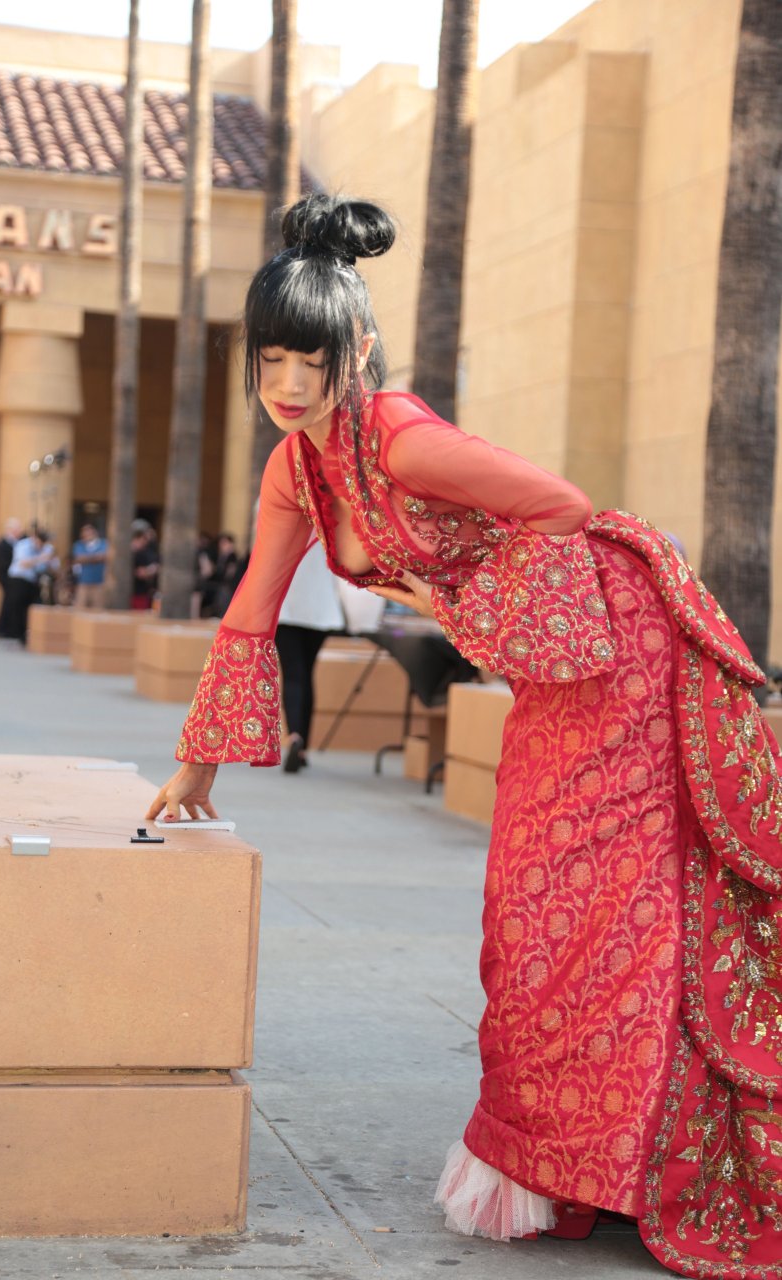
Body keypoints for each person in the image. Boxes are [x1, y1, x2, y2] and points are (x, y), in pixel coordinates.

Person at [146, 195, 782, 1278]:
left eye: (312, 359)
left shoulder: (401, 438)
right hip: (551, 665)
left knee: (592, 909)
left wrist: (456, 609)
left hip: (615, 646)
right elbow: (254, 603)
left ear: (358, 352)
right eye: (270, 360)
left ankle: (627, 1164)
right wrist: (194, 760)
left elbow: (564, 506)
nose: (288, 384)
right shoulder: (297, 466)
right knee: (541, 915)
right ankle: (583, 1164)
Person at [276, 538, 347, 772]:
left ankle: (295, 736)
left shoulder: (275, 514)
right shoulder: (332, 514)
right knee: (307, 674)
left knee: (293, 675)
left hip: (287, 604)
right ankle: (303, 747)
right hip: (321, 606)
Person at [0, 526, 57, 643]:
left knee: (35, 606)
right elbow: (23, 563)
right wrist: (41, 558)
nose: (40, 545)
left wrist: (50, 561)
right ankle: (17, 634)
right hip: (18, 579)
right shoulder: (23, 545)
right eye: (39, 542)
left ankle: (30, 633)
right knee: (17, 607)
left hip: (34, 581)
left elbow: (54, 568)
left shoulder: (47, 548)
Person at [72, 523, 108, 608]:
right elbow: (79, 558)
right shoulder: (79, 545)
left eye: (88, 531)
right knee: (80, 608)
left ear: (94, 532)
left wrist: (87, 558)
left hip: (99, 583)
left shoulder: (104, 543)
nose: (86, 534)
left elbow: (105, 556)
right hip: (83, 582)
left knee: (98, 608)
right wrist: (96, 557)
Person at [130, 520, 159, 610]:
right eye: (144, 538)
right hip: (135, 593)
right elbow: (140, 573)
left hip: (144, 593)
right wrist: (151, 570)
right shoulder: (133, 553)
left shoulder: (148, 551)